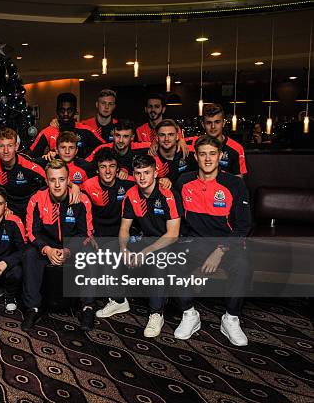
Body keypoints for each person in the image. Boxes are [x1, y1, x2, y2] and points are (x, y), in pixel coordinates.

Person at [173, 135, 252, 346]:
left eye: (212, 154)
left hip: (227, 243)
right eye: (202, 154)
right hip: (194, 242)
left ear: (219, 156)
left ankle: (231, 318)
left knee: (243, 267)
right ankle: (189, 314)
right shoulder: (183, 181)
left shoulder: (234, 183)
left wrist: (220, 251)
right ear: (196, 157)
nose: (207, 159)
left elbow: (244, 225)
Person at [21, 159, 95, 332]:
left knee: (91, 250)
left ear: (68, 179)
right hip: (47, 245)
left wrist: (68, 250)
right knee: (29, 254)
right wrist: (47, 249)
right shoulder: (36, 199)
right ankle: (32, 308)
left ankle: (88, 307)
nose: (57, 184)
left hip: (72, 245)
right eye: (52, 180)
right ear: (47, 181)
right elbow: (31, 232)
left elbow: (86, 233)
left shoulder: (81, 200)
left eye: (61, 179)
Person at [118, 155, 182, 337]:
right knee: (112, 248)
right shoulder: (131, 195)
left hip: (171, 241)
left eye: (147, 172)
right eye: (138, 173)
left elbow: (173, 234)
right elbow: (124, 229)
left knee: (157, 259)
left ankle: (156, 313)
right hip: (145, 238)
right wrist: (124, 250)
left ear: (155, 173)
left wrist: (145, 252)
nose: (142, 177)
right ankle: (118, 300)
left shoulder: (168, 194)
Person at [0, 127, 46, 221]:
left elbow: (51, 181)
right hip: (4, 210)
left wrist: (70, 185)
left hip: (28, 210)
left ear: (16, 146)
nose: (6, 151)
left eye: (10, 146)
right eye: (2, 146)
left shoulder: (28, 165)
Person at [29, 93, 104, 159]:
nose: (65, 114)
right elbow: (32, 157)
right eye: (62, 110)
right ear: (57, 111)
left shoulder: (86, 130)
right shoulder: (48, 132)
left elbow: (104, 147)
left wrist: (87, 161)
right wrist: (46, 158)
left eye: (69, 110)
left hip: (80, 173)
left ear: (75, 111)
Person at [81, 148, 135, 238]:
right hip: (98, 232)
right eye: (103, 167)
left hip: (122, 230)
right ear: (97, 169)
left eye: (112, 166)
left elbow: (147, 184)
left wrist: (164, 181)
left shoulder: (128, 182)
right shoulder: (88, 186)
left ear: (117, 168)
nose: (108, 171)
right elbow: (82, 213)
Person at [86, 120, 150, 180]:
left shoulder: (140, 147)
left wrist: (154, 144)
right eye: (117, 135)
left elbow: (157, 143)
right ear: (113, 135)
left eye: (125, 136)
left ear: (132, 137)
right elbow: (85, 165)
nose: (120, 140)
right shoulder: (102, 148)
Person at [196, 103, 247, 177]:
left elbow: (238, 180)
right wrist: (181, 141)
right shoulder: (195, 144)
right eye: (209, 123)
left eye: (217, 122)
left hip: (227, 187)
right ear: (203, 124)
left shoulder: (236, 148)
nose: (213, 126)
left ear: (223, 123)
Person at [153, 119, 197, 184]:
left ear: (177, 137)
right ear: (157, 138)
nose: (166, 139)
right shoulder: (151, 157)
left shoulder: (189, 151)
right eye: (162, 135)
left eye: (170, 135)